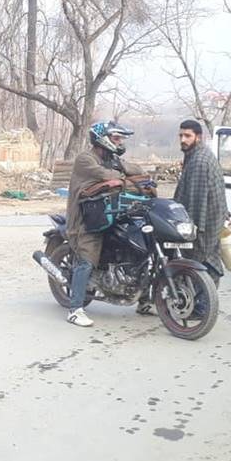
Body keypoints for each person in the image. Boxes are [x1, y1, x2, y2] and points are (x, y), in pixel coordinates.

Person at [64, 121, 145, 327]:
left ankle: (145, 300)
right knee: (86, 261)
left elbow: (135, 169)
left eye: (120, 139)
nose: (119, 142)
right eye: (116, 138)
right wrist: (122, 173)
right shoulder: (85, 159)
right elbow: (107, 175)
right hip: (85, 219)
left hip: (107, 214)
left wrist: (126, 170)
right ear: (102, 139)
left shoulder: (111, 158)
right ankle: (75, 309)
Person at [174, 119, 228, 285]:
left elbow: (196, 203)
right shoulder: (197, 155)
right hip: (212, 222)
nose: (183, 139)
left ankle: (201, 308)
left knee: (201, 266)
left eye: (187, 136)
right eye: (181, 135)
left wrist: (189, 231)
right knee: (205, 269)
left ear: (198, 137)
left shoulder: (199, 161)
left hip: (205, 225)